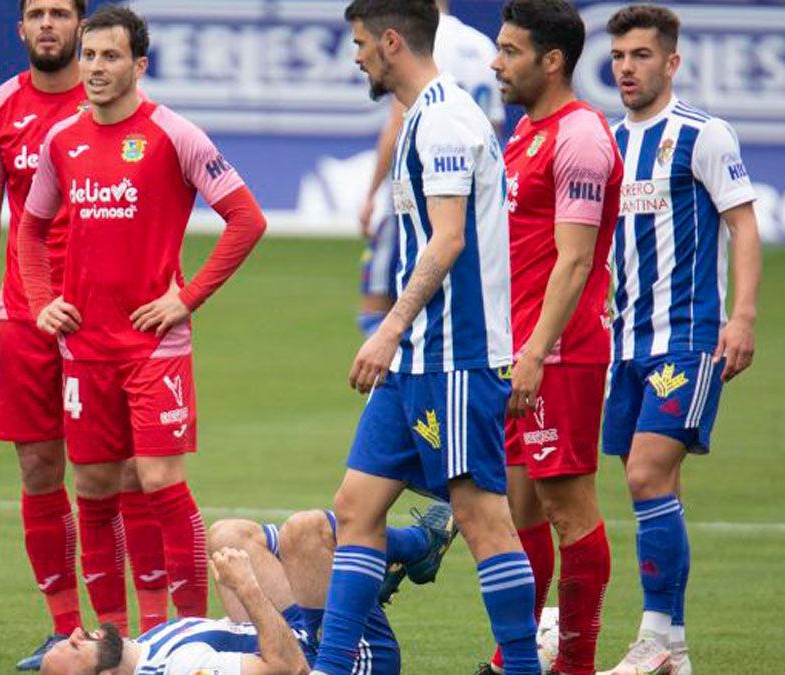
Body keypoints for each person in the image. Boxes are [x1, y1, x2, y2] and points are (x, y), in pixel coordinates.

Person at [18, 0, 267, 643]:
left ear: (139, 64)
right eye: (90, 55)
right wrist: (43, 297)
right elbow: (31, 227)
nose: (95, 68)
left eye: (110, 57)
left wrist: (187, 298)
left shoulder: (174, 134)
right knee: (95, 491)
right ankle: (112, 639)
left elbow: (247, 219)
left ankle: (184, 635)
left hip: (155, 347)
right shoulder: (62, 140)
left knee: (159, 481)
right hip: (85, 350)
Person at [312, 1, 539, 674]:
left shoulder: (443, 120)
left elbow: (447, 242)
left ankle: (523, 666)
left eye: (359, 44)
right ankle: (330, 666)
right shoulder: (423, 114)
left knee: (483, 520)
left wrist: (387, 328)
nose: (355, 57)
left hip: (455, 358)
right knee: (356, 506)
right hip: (420, 359)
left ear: (389, 42)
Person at [0, 0, 167, 666]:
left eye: (60, 12)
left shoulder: (121, 103)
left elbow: (154, 208)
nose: (48, 24)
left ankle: (151, 631)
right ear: (19, 28)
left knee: (132, 472)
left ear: (82, 27)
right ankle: (67, 630)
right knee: (39, 466)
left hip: (111, 320)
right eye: (36, 12)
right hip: (28, 316)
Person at [600, 6, 761, 675]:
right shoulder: (609, 141)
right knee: (653, 485)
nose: (627, 68)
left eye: (641, 56)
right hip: (623, 344)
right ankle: (674, 647)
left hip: (687, 336)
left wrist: (743, 316)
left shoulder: (703, 135)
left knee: (645, 473)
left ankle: (656, 638)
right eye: (618, 57)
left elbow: (744, 226)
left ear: (671, 62)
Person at [480, 1, 623, 673]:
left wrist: (536, 350)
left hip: (558, 353)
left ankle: (576, 663)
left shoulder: (581, 138)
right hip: (518, 351)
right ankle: (518, 657)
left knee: (569, 509)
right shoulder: (526, 134)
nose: (496, 62)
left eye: (510, 51)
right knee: (519, 507)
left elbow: (573, 258)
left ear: (552, 60)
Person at [40, 508, 404, 675]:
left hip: (295, 635)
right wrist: (245, 585)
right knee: (304, 531)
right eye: (76, 646)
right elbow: (289, 669)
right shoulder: (179, 669)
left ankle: (358, 582)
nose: (77, 632)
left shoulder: (141, 651)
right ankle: (408, 552)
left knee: (227, 536)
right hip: (343, 660)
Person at [356, 0, 504, 338]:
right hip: (473, 198)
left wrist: (372, 194)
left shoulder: (420, 46)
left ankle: (388, 368)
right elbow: (493, 131)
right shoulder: (482, 45)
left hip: (421, 193)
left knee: (379, 300)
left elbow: (397, 123)